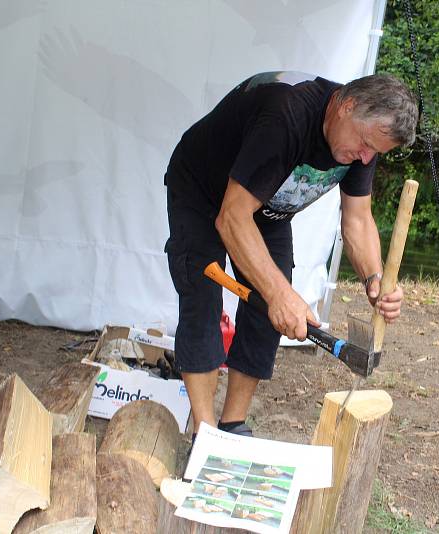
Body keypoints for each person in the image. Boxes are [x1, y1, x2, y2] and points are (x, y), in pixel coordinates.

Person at [164, 71, 418, 437]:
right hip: (202, 190)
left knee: (268, 310)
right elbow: (232, 216)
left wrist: (375, 281)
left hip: (265, 205)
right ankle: (204, 433)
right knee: (202, 295)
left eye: (374, 153)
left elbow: (358, 220)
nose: (365, 158)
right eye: (364, 145)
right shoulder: (287, 115)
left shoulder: (365, 143)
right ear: (347, 106)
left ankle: (233, 425)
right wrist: (280, 294)